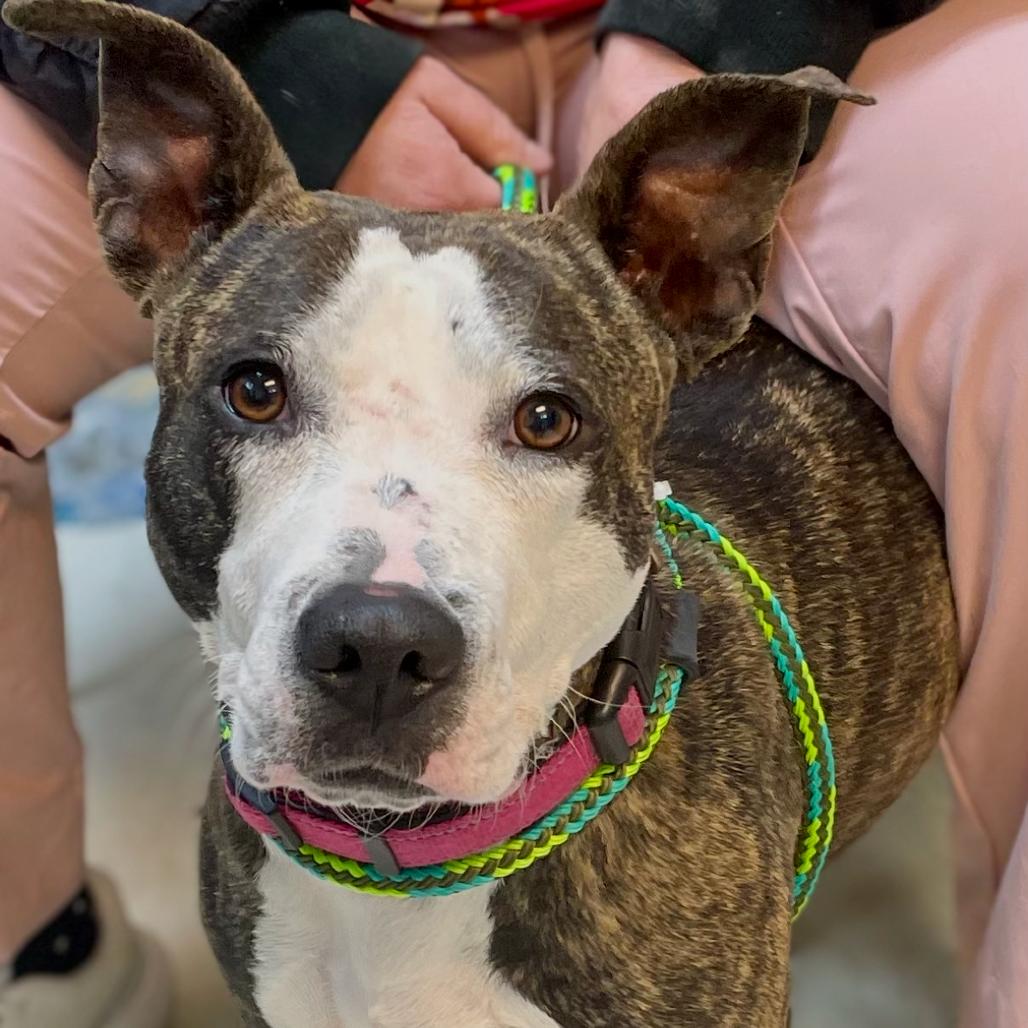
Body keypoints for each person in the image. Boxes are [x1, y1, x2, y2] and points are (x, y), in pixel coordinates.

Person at [0, 0, 1025, 1025]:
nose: (376, 626)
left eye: (539, 422)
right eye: (263, 397)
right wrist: (311, 67)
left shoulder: (668, 957)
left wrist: (705, 23)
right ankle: (37, 943)